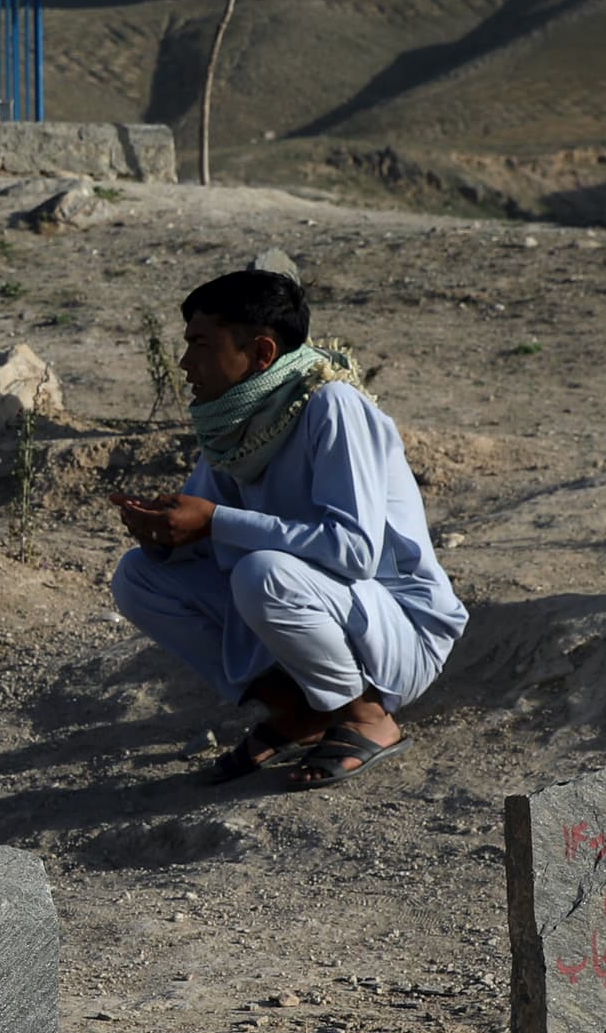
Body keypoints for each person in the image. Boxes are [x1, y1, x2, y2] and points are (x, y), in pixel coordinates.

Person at [112, 269, 465, 788]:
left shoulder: (332, 406)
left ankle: (368, 716)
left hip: (399, 628)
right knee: (139, 577)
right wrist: (166, 533)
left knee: (263, 573)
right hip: (322, 606)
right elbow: (216, 534)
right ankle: (300, 714)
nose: (185, 364)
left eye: (200, 345)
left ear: (260, 352)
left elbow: (355, 552)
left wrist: (212, 521)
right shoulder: (238, 426)